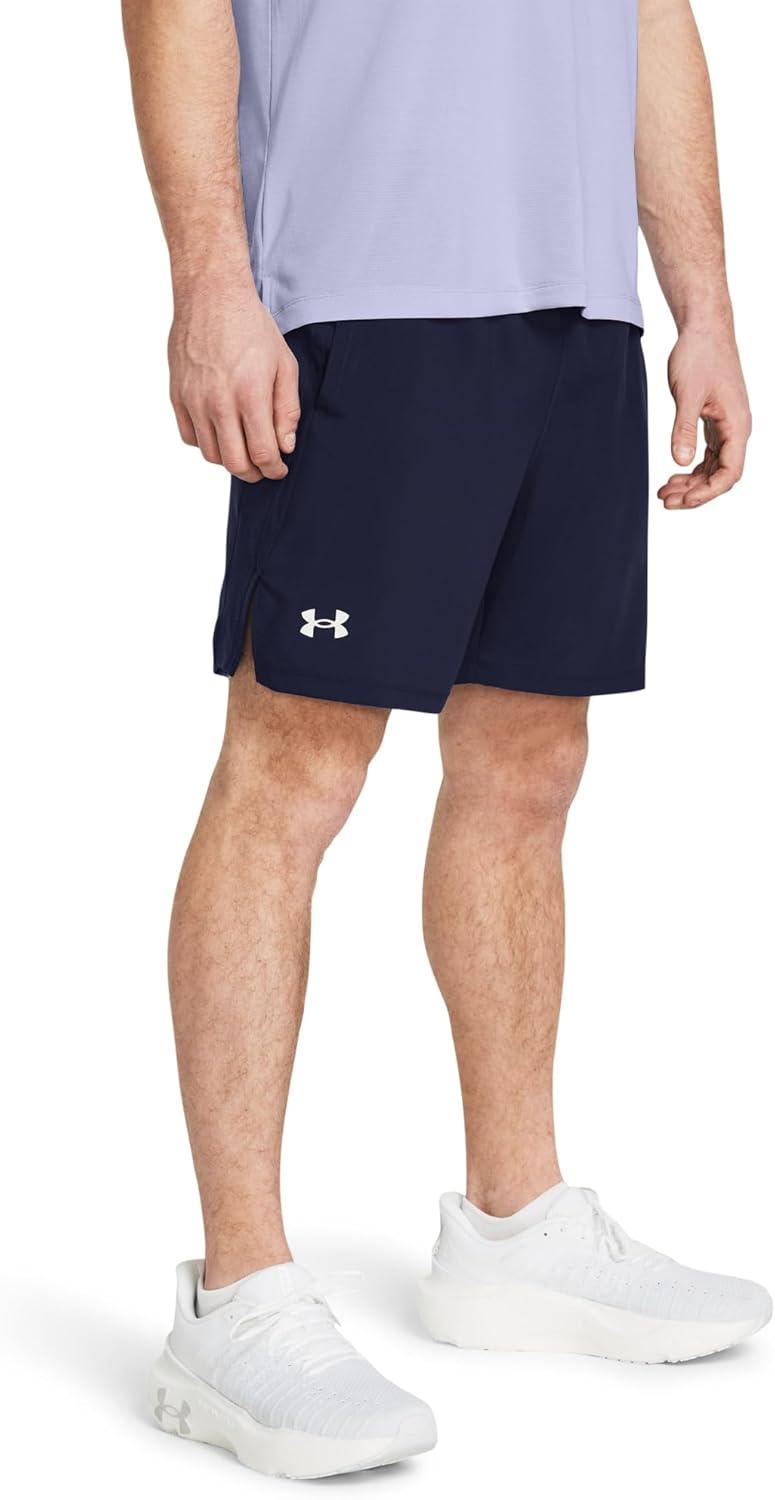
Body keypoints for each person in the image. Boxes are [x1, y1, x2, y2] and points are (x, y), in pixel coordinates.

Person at [123, 0, 770, 1480]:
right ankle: (238, 1295)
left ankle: (514, 1226)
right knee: (294, 770)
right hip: (362, 294)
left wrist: (706, 303)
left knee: (532, 768)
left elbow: (651, 20)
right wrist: (210, 278)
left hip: (580, 311)